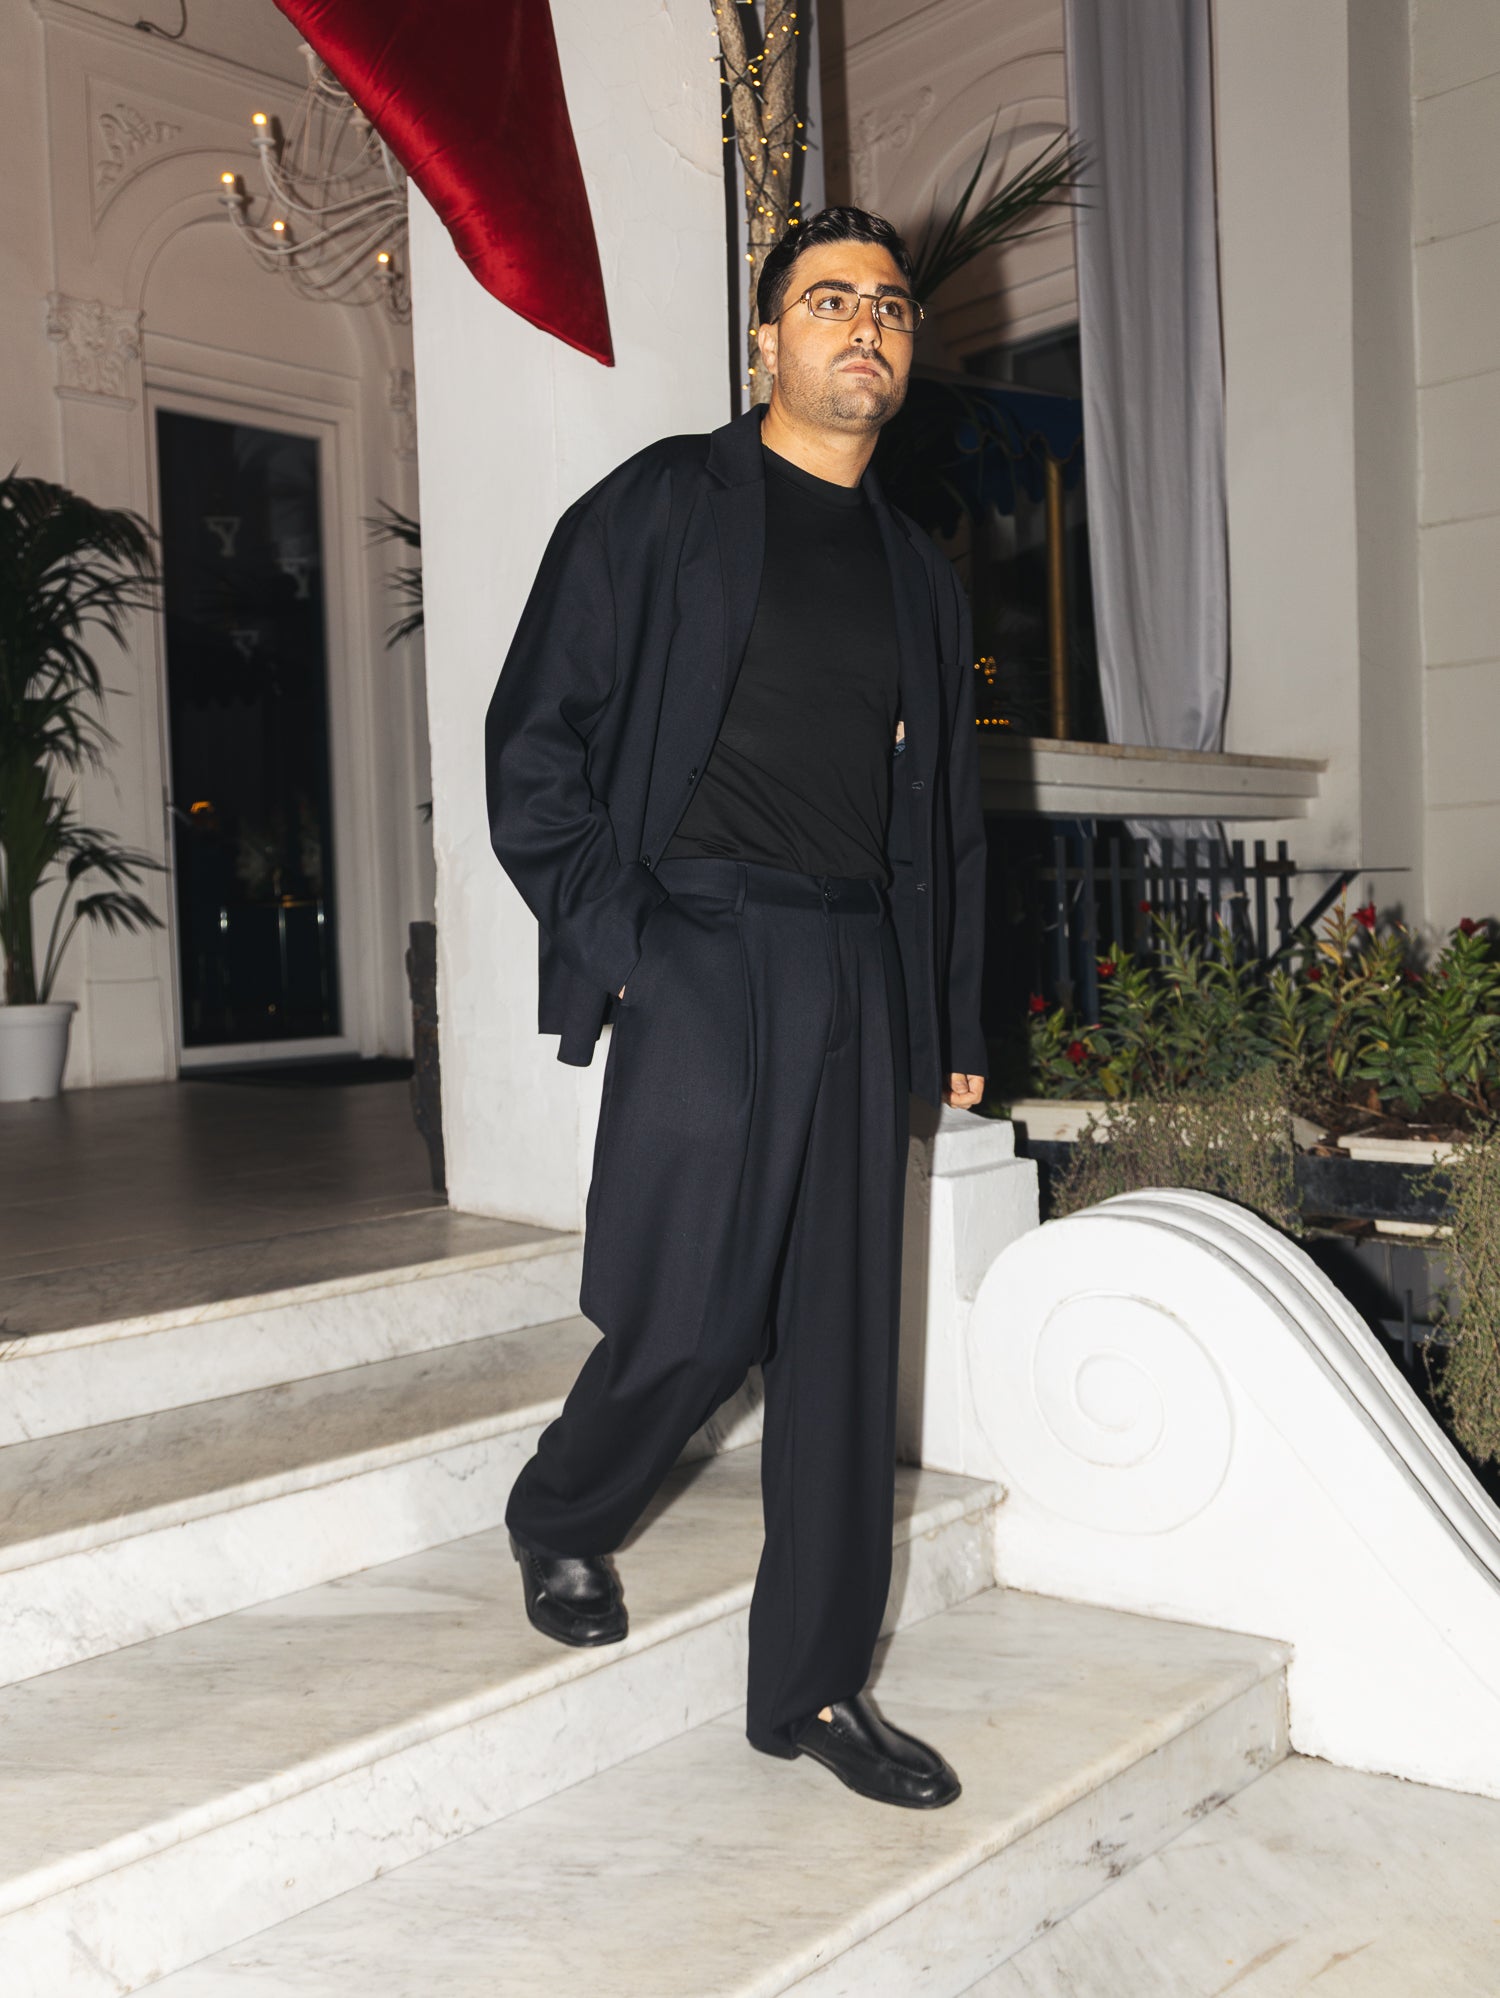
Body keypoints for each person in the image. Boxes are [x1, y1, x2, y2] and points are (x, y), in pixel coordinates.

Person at [484, 205, 986, 1809]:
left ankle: (816, 1686)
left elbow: (946, 824)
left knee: (841, 1348)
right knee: (694, 1311)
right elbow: (533, 742)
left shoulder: (918, 575)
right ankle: (564, 1509)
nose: (865, 325)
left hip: (858, 963)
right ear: (766, 340)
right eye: (828, 301)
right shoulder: (664, 507)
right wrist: (630, 939)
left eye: (889, 306)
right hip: (703, 940)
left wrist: (948, 1020)